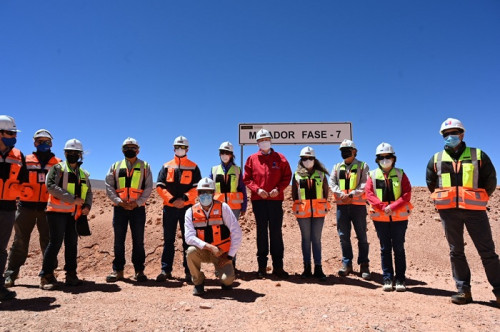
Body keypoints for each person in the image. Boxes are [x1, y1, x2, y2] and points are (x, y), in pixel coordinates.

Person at [426, 118, 500, 306]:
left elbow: (490, 180)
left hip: (475, 211)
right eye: (446, 134)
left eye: (454, 132)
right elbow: (431, 183)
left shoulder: (478, 155)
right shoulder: (436, 159)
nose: (450, 136)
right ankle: (463, 291)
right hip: (449, 212)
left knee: (488, 252)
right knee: (456, 251)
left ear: (462, 134)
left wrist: (478, 198)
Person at [4, 129, 61, 288]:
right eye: (39, 141)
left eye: (46, 141)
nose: (43, 144)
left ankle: (48, 276)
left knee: (48, 242)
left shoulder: (58, 163)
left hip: (48, 208)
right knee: (20, 241)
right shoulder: (25, 160)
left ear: (51, 143)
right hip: (25, 207)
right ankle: (10, 275)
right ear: (34, 142)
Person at [39, 138, 93, 290]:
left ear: (80, 155)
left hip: (74, 215)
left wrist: (87, 206)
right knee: (55, 243)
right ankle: (46, 276)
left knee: (72, 244)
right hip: (56, 213)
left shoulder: (83, 174)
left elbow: (88, 192)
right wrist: (72, 199)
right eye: (69, 152)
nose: (73, 155)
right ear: (65, 153)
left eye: (76, 152)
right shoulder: (57, 169)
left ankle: (71, 275)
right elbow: (50, 186)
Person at [243, 129, 292, 279]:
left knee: (276, 233)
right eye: (261, 140)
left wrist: (279, 189)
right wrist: (257, 190)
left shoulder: (280, 158)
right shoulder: (252, 159)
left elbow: (287, 176)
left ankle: (278, 267)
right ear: (257, 143)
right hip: (259, 201)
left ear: (270, 140)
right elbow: (247, 178)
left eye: (267, 139)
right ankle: (262, 267)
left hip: (276, 201)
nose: (264, 142)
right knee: (262, 233)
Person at [105, 137, 153, 283]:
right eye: (126, 148)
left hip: (137, 209)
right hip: (119, 209)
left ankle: (139, 271)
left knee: (138, 241)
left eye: (132, 147)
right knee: (118, 241)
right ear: (122, 150)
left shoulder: (145, 166)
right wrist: (119, 202)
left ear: (138, 150)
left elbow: (149, 187)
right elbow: (109, 186)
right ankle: (118, 270)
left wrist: (137, 203)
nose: (130, 150)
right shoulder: (115, 166)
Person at [365, 142, 412, 292]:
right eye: (381, 157)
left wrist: (393, 206)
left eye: (387, 157)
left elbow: (407, 193)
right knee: (385, 248)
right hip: (381, 218)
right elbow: (369, 193)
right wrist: (382, 207)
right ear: (377, 159)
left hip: (399, 218)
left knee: (399, 248)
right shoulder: (372, 175)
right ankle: (387, 278)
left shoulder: (400, 173)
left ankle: (400, 279)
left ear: (393, 158)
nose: (385, 160)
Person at [185, 177, 242, 296]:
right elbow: (189, 237)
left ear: (213, 193)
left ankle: (223, 275)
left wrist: (229, 256)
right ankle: (198, 282)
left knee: (227, 281)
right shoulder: (190, 211)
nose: (204, 195)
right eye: (201, 192)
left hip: (221, 253)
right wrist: (209, 247)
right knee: (190, 252)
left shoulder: (223, 208)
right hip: (203, 250)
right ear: (197, 193)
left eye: (208, 192)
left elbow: (236, 232)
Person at [156, 136, 202, 282]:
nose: (180, 149)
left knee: (188, 240)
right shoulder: (166, 166)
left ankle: (190, 272)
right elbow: (160, 186)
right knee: (168, 240)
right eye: (177, 147)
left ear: (187, 149)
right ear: (173, 148)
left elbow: (197, 188)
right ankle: (165, 270)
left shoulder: (193, 166)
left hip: (188, 209)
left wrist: (184, 199)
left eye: (182, 147)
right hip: (169, 209)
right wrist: (172, 200)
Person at [329, 139, 371, 279]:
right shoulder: (336, 167)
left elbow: (365, 183)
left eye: (347, 150)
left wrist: (352, 195)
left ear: (354, 151)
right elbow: (332, 183)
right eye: (342, 150)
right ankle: (347, 264)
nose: (344, 152)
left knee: (362, 236)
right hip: (342, 206)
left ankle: (364, 265)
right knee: (343, 236)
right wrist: (342, 195)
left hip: (358, 206)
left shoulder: (362, 166)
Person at [292, 146, 330, 281]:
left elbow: (326, 191)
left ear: (314, 159)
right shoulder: (296, 175)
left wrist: (321, 204)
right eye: (304, 158)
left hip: (319, 212)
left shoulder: (321, 174)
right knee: (306, 239)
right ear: (301, 160)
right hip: (303, 213)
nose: (307, 160)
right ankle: (307, 267)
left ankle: (318, 268)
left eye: (310, 158)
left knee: (317, 239)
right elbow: (294, 194)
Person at [0, 115, 27, 301]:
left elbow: (24, 183)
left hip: (8, 208)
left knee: (1, 249)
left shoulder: (18, 156)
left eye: (14, 133)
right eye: (10, 133)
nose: (13, 137)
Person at [209, 141, 247, 269]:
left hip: (234, 208)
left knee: (232, 235)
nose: (225, 155)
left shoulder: (237, 170)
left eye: (227, 153)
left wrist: (244, 206)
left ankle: (231, 263)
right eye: (223, 152)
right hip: (218, 208)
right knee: (218, 235)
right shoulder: (214, 170)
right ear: (220, 154)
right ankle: (219, 265)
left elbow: (242, 188)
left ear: (231, 155)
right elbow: (210, 189)